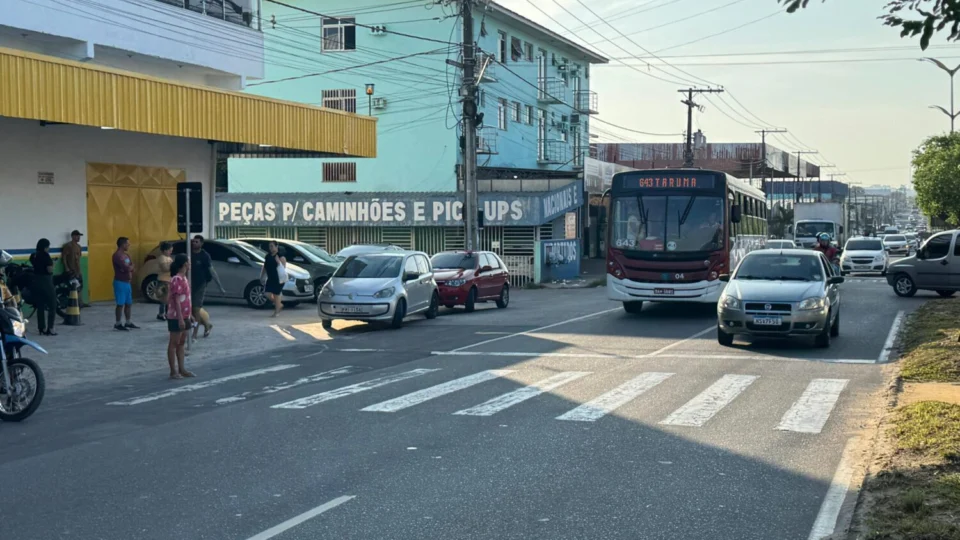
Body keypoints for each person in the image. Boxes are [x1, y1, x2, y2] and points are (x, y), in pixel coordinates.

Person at [165, 254, 195, 380]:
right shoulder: (176, 279)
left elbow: (186, 299)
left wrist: (190, 314)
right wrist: (181, 318)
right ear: (183, 264)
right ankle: (173, 371)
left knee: (181, 342)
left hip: (185, 314)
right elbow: (176, 300)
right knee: (174, 342)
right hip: (176, 316)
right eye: (188, 262)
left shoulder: (184, 279)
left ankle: (182, 369)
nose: (189, 265)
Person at [189, 235, 225, 338]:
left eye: (196, 242)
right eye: (193, 241)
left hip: (200, 285)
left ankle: (194, 334)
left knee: (196, 310)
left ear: (201, 243)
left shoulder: (204, 256)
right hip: (189, 285)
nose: (194, 243)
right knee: (191, 310)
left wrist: (220, 287)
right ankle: (207, 325)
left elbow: (212, 271)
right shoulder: (189, 254)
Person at [29, 239, 57, 336]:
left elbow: (35, 265)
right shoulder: (46, 256)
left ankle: (41, 328)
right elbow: (49, 270)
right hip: (46, 281)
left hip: (36, 281)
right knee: (52, 304)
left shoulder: (34, 255)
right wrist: (53, 265)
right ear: (45, 247)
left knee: (40, 306)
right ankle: (50, 328)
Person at [112, 236, 139, 331]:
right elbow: (126, 268)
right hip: (120, 282)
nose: (129, 245)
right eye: (127, 244)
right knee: (120, 304)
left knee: (128, 303)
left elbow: (131, 266)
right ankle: (118, 323)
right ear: (123, 244)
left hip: (127, 283)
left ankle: (128, 322)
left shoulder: (126, 255)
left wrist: (130, 268)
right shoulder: (117, 256)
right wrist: (130, 268)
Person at [60, 230, 90, 308]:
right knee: (73, 287)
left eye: (79, 236)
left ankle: (80, 302)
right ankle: (75, 303)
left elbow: (78, 258)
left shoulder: (79, 247)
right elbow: (64, 257)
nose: (79, 237)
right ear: (73, 236)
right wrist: (66, 267)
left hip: (77, 270)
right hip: (71, 270)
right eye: (77, 236)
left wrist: (79, 271)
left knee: (80, 286)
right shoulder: (68, 246)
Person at [260, 241, 287, 317]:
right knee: (267, 293)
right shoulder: (267, 256)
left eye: (272, 246)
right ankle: (279, 304)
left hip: (278, 279)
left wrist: (278, 262)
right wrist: (262, 276)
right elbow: (265, 267)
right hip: (270, 278)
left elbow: (283, 269)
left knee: (276, 294)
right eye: (270, 246)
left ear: (276, 246)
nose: (270, 248)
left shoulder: (281, 257)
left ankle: (276, 312)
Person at [155, 242, 174, 321]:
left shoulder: (169, 258)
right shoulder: (162, 258)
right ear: (165, 250)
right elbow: (165, 268)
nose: (171, 252)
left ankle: (167, 313)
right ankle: (161, 314)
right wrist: (173, 266)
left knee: (168, 299)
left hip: (169, 280)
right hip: (163, 280)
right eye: (170, 250)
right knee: (164, 299)